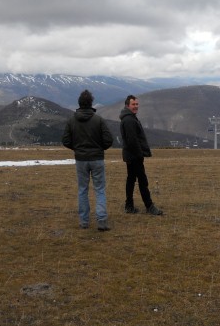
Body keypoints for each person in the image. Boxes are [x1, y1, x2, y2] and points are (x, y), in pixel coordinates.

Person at [62, 90, 114, 231]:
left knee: (82, 190)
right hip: (97, 158)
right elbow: (109, 140)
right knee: (100, 190)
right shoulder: (98, 120)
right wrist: (99, 149)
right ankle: (102, 220)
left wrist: (77, 149)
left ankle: (84, 222)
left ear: (79, 103)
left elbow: (65, 140)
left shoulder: (72, 120)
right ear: (91, 103)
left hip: (80, 159)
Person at [119, 95, 164, 215]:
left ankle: (129, 205)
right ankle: (149, 206)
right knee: (142, 181)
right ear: (127, 105)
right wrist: (140, 154)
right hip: (134, 156)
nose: (136, 107)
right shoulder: (129, 120)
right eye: (133, 104)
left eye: (137, 104)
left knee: (131, 179)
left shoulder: (129, 118)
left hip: (131, 155)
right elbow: (132, 140)